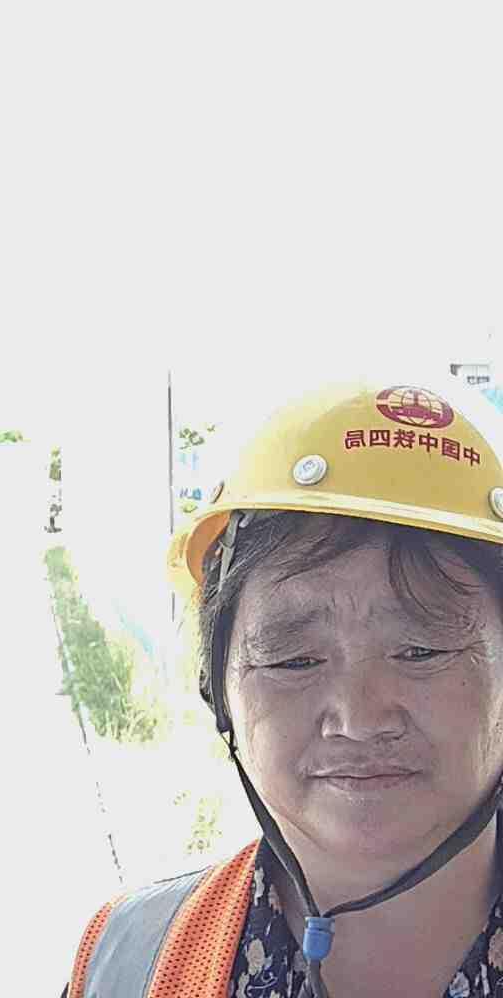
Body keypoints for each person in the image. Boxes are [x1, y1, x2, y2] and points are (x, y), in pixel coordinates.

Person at [63, 377, 503, 997]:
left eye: (421, 651)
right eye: (294, 660)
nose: (359, 717)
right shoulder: (128, 961)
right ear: (219, 691)